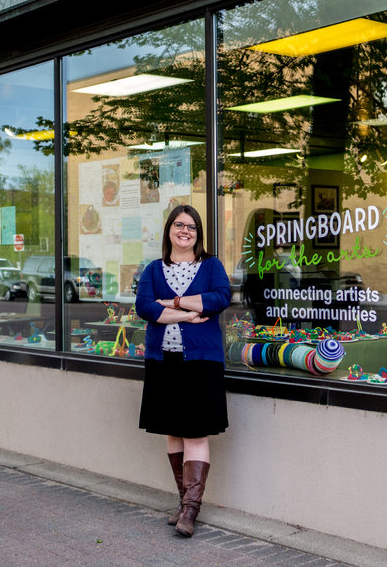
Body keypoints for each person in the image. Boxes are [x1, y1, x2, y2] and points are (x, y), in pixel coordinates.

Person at [135, 204, 231, 538]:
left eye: (191, 227)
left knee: (196, 432)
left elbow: (220, 298)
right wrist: (190, 313)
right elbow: (145, 307)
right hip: (163, 361)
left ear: (198, 233)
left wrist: (172, 303)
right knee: (173, 431)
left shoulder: (212, 265)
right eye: (179, 225)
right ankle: (182, 502)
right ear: (169, 230)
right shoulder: (152, 269)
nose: (185, 231)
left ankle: (191, 511)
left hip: (201, 361)